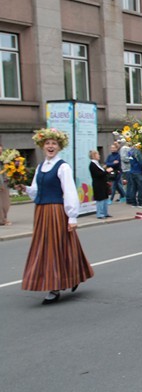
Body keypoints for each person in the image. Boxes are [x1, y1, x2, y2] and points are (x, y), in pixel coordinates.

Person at [21, 128, 93, 304]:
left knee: (56, 247)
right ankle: (72, 276)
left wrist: (72, 216)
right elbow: (36, 191)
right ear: (42, 146)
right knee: (46, 247)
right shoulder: (40, 167)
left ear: (59, 147)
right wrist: (25, 188)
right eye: (47, 143)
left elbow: (69, 192)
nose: (50, 146)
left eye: (54, 143)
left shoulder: (63, 167)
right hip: (41, 211)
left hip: (55, 211)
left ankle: (54, 287)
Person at [89, 150, 111, 219]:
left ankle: (105, 213)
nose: (99, 155)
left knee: (105, 198)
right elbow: (98, 174)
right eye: (98, 154)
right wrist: (106, 171)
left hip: (103, 184)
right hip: (98, 184)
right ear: (93, 156)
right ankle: (100, 214)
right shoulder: (92, 164)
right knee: (100, 199)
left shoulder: (97, 164)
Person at [0, 144, 11, 225]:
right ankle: (2, 220)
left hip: (5, 182)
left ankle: (4, 217)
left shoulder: (5, 160)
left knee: (6, 203)